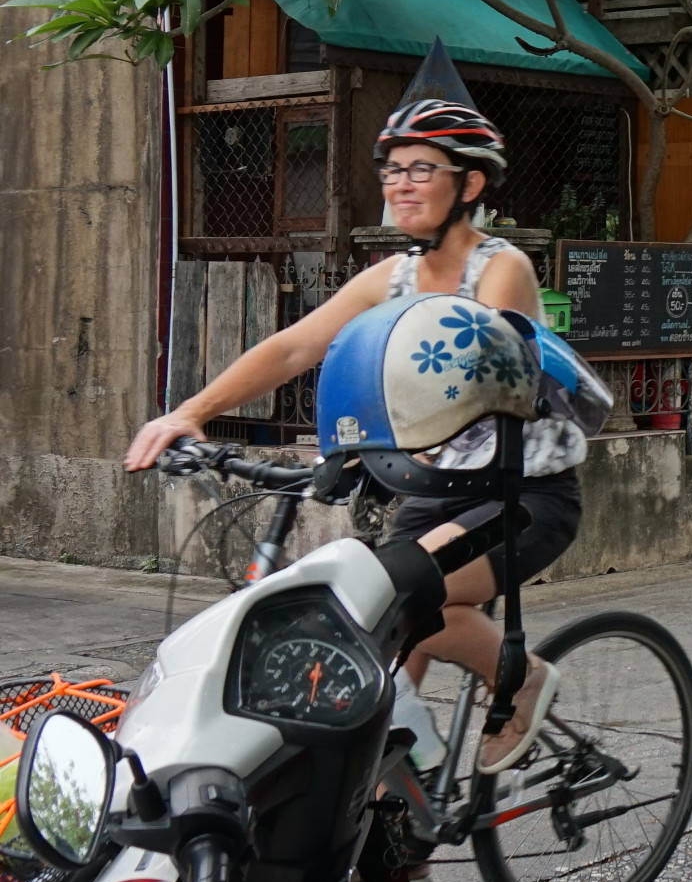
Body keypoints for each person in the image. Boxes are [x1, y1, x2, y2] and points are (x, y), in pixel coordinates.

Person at [126, 98, 581, 771]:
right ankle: (395, 820)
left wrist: (384, 446)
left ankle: (527, 679)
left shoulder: (501, 268)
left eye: (420, 169)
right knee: (370, 654)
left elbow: (479, 380)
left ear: (470, 184)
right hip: (437, 492)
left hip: (521, 492)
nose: (399, 184)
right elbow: (292, 348)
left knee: (397, 593)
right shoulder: (392, 277)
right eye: (391, 170)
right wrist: (189, 412)